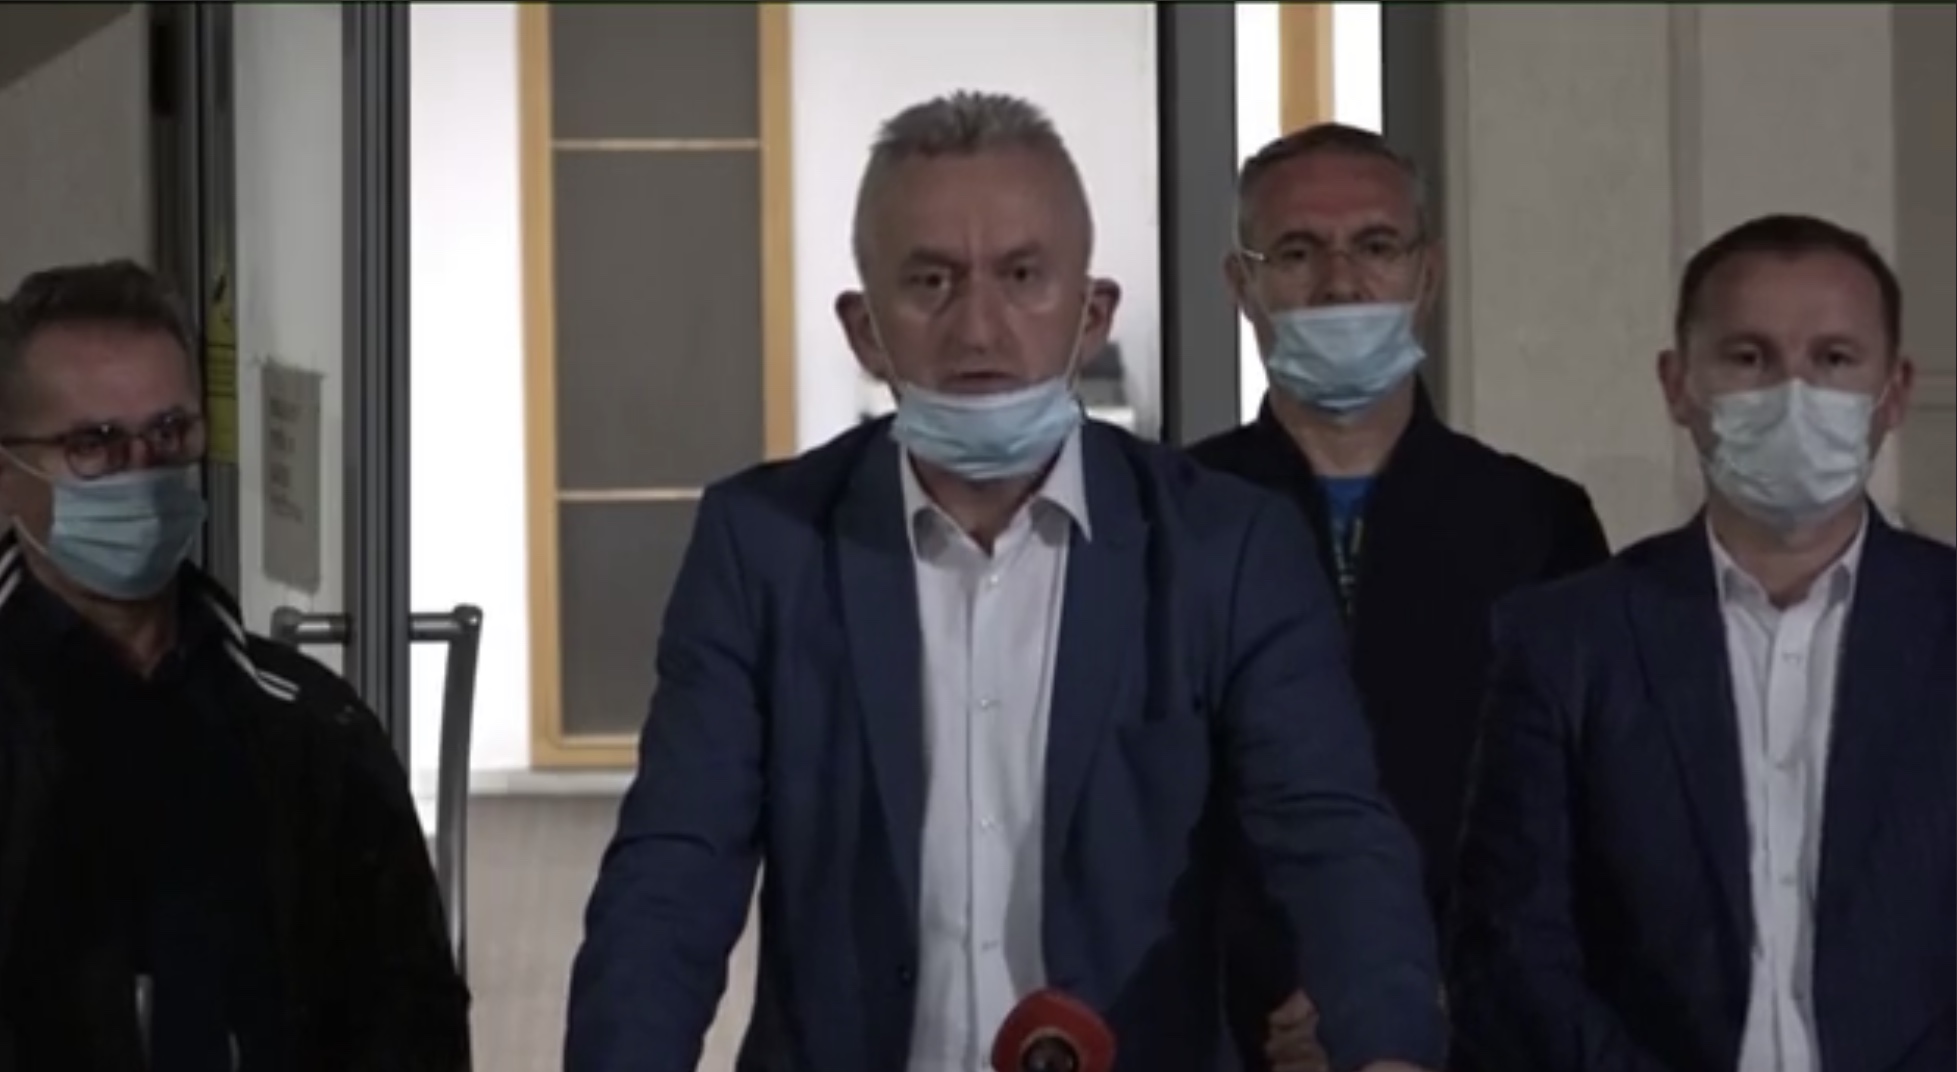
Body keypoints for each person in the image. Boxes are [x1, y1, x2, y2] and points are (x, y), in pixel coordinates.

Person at [565, 92, 1445, 1072]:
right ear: (863, 329)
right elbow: (675, 865)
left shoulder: (1222, 546)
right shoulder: (764, 544)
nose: (977, 329)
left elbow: (1330, 834)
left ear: (1091, 314)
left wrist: (1389, 1049)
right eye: (930, 281)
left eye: (1022, 276)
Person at [1447, 214, 1954, 1071]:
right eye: (1748, 358)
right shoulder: (1565, 640)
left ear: (1893, 390)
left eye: (1833, 359)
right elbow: (1509, 948)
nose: (1792, 394)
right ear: (1678, 384)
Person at [1186, 123, 1610, 1071]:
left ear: (1428, 274)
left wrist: (1407, 1001)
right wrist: (1276, 993)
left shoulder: (1535, 522)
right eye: (1297, 252)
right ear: (1240, 284)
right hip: (1222, 1031)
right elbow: (1139, 805)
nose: (1340, 284)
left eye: (1375, 246)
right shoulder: (1170, 516)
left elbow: (1564, 819)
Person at [0, 262, 471, 1070]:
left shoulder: (313, 729)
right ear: (9, 473)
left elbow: (411, 1019)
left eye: (170, 431)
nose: (143, 468)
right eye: (95, 443)